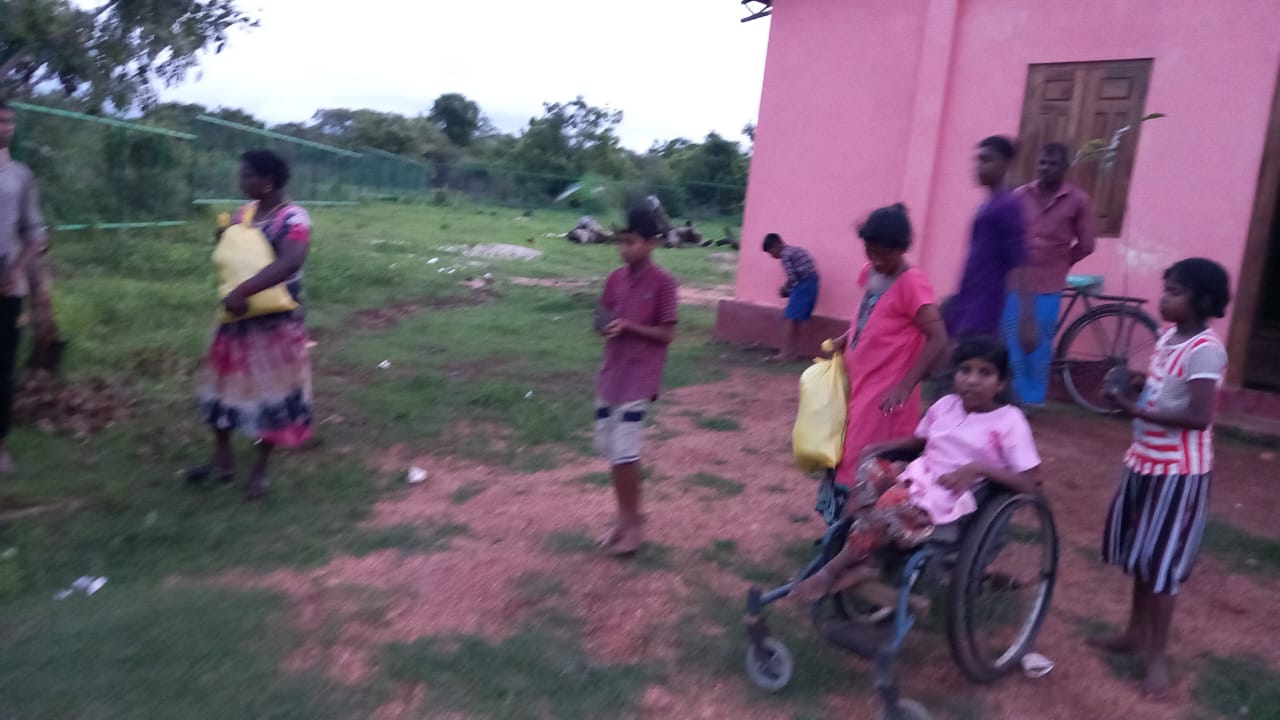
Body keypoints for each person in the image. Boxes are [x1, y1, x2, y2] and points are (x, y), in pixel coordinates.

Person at [794, 338, 1041, 602]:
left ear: (1001, 383)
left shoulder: (1009, 421)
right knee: (872, 471)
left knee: (892, 499)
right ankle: (866, 557)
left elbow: (1029, 483)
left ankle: (831, 571)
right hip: (919, 477)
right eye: (965, 370)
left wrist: (979, 468)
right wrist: (878, 448)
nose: (972, 380)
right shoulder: (946, 405)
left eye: (985, 373)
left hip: (951, 499)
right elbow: (920, 441)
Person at [1094, 258, 1231, 698]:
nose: (1164, 298)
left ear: (1202, 300)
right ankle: (1134, 634)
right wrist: (1134, 386)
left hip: (1179, 473)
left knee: (1163, 563)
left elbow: (1198, 416)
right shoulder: (1169, 338)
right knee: (1141, 553)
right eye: (1165, 288)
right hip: (1145, 461)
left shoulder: (1205, 350)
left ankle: (1157, 657)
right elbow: (1164, 389)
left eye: (1174, 291)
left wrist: (1131, 408)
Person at [188, 150, 314, 500]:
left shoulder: (294, 218)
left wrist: (244, 291)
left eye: (248, 176)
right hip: (236, 318)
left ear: (268, 181)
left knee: (270, 395)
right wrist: (224, 238)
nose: (241, 181)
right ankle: (222, 460)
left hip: (275, 322)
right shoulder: (243, 213)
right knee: (221, 387)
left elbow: (290, 261)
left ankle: (260, 470)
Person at [828, 204, 948, 492]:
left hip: (886, 389)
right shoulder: (869, 272)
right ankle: (843, 512)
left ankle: (860, 512)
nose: (876, 260)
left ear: (901, 249)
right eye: (870, 252)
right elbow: (868, 314)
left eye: (884, 254)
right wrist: (847, 337)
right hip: (859, 378)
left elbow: (938, 336)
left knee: (866, 452)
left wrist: (905, 386)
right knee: (845, 440)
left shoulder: (912, 283)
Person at [594, 204, 678, 556]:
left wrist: (629, 326)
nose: (624, 249)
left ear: (651, 243)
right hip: (611, 375)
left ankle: (635, 526)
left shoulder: (664, 284)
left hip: (639, 378)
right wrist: (605, 325)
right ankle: (623, 519)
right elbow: (600, 317)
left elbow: (667, 334)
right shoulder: (615, 278)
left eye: (631, 242)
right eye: (621, 241)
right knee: (613, 453)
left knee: (626, 454)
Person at [1007, 142, 1096, 406]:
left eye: (1052, 164)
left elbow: (1087, 244)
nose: (1045, 168)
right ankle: (1009, 397)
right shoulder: (1020, 196)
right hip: (1016, 282)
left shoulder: (1078, 201)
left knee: (1039, 343)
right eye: (1042, 163)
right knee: (1011, 339)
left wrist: (1061, 263)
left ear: (1065, 168)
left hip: (1049, 284)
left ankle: (1032, 399)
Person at [0, 98, 48, 473]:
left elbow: (35, 234)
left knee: (2, 367)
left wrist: (15, 270)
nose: (7, 128)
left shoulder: (19, 176)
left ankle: (0, 446)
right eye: (1, 121)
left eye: (10, 121)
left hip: (6, 287)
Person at [945, 136, 1026, 342]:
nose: (979, 166)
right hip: (968, 298)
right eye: (978, 160)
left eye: (986, 160)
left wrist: (1028, 318)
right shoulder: (987, 205)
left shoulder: (1007, 206)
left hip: (985, 305)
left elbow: (1020, 262)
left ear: (1005, 165)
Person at [762, 232, 820, 361]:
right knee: (796, 320)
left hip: (804, 285)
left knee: (789, 319)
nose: (772, 256)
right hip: (812, 283)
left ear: (776, 246)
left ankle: (785, 353)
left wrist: (785, 289)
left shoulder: (785, 255)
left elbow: (792, 278)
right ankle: (793, 352)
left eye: (771, 252)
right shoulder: (796, 250)